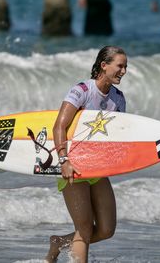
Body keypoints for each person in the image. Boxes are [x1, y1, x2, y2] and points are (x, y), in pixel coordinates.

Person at [45, 46, 128, 263]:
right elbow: (59, 127)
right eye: (120, 66)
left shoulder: (118, 99)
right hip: (73, 165)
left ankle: (59, 242)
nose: (124, 71)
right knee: (84, 228)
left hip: (97, 167)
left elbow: (117, 136)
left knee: (106, 229)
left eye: (125, 66)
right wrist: (64, 160)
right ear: (104, 65)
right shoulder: (81, 90)